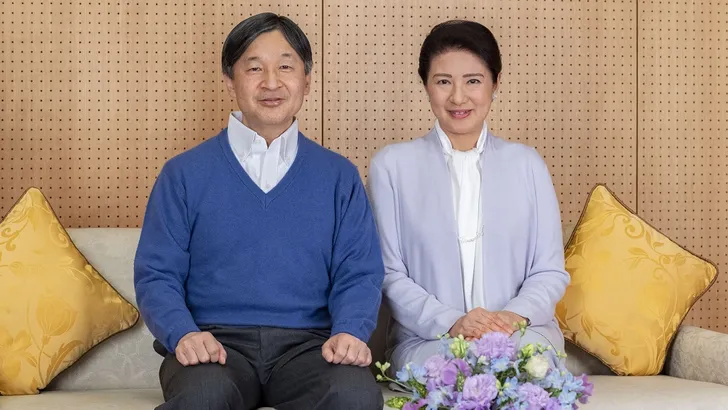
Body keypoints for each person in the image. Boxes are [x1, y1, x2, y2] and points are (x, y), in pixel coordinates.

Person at [134, 12, 384, 410]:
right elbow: (156, 273)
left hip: (311, 349)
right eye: (254, 68)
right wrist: (182, 333)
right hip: (214, 345)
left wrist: (351, 330)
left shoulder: (339, 176)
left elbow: (359, 271)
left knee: (354, 395)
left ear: (307, 79)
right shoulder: (183, 174)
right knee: (203, 397)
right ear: (229, 80)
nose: (271, 82)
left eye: (285, 67)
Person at [367, 20, 570, 371]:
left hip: (521, 335)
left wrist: (509, 319)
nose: (458, 97)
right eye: (443, 82)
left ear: (495, 83)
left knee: (521, 366)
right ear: (426, 86)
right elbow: (388, 272)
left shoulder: (527, 164)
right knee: (453, 371)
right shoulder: (391, 166)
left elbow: (549, 270)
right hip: (429, 341)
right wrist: (452, 322)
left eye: (473, 81)